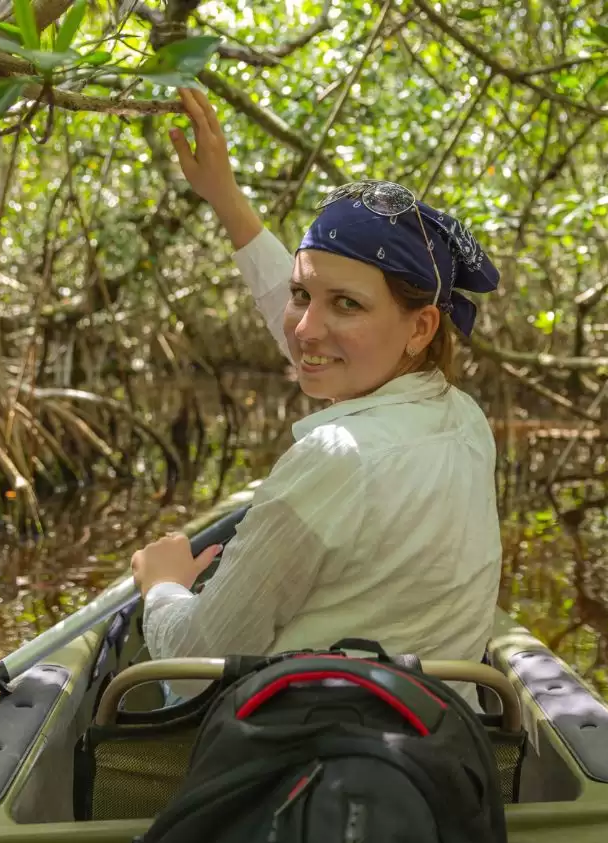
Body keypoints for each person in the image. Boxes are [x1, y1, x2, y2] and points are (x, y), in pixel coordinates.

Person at [131, 89, 502, 705]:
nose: (304, 329)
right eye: (302, 295)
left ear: (420, 327)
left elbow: (194, 663)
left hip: (301, 748)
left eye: (346, 304)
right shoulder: (462, 418)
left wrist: (162, 587)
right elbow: (310, 331)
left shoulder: (337, 460)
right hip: (438, 734)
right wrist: (225, 198)